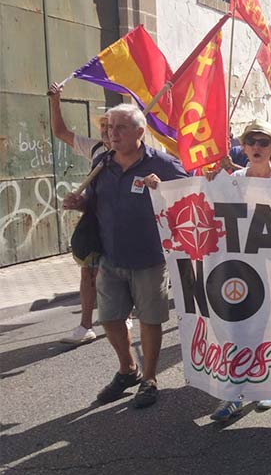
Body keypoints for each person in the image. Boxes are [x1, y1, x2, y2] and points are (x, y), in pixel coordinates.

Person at [62, 103, 188, 408]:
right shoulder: (102, 162)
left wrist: (162, 190)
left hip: (149, 257)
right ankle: (127, 368)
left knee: (149, 319)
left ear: (139, 132)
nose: (111, 133)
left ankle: (149, 378)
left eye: (120, 127)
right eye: (109, 127)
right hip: (110, 256)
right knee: (110, 318)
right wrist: (79, 203)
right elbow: (94, 204)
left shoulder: (163, 163)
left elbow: (188, 195)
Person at [206, 120, 271, 421]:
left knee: (267, 328)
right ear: (242, 147)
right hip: (238, 270)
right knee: (236, 329)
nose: (257, 146)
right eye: (251, 141)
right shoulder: (232, 180)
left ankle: (264, 385)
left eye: (264, 142)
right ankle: (232, 395)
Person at [49, 82, 113, 345]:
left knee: (117, 273)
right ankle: (86, 325)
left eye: (113, 126)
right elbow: (61, 132)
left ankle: (123, 312)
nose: (108, 132)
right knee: (89, 271)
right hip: (96, 221)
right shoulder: (96, 148)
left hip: (123, 224)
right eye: (105, 127)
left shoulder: (135, 154)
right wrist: (55, 101)